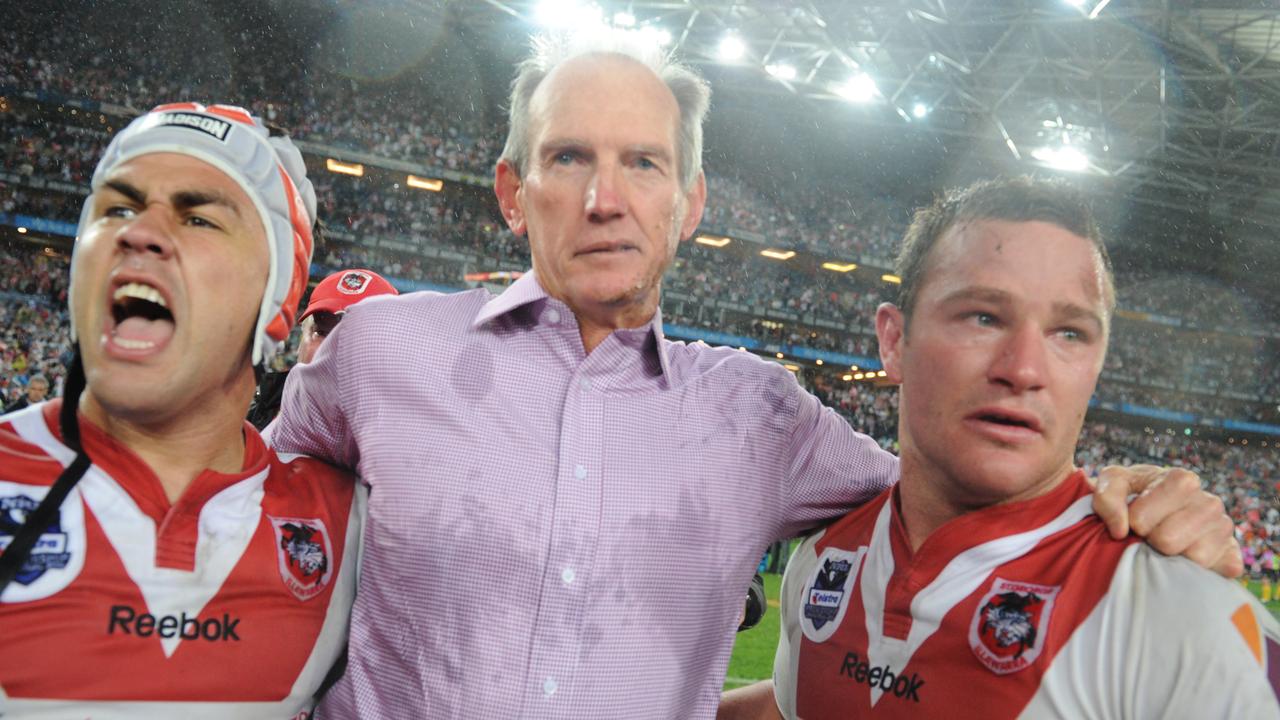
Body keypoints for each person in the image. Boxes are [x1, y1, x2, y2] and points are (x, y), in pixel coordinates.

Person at [272, 32, 1238, 719]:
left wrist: (1136, 501)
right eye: (570, 158)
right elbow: (234, 494)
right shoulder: (381, 353)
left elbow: (953, 471)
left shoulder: (762, 417)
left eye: (644, 164)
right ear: (512, 194)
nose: (607, 200)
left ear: (689, 204)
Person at [720, 177, 1280, 719]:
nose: (1025, 369)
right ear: (894, 340)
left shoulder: (1176, 613)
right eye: (983, 317)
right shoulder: (824, 555)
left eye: (1070, 333)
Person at [0, 102, 363, 718]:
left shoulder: (350, 529)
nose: (136, 233)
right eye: (116, 208)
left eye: (198, 217)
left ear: (277, 295)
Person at [248, 267, 398, 430]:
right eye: (321, 333)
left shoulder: (397, 448)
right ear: (301, 339)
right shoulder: (243, 415)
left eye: (355, 339)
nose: (330, 350)